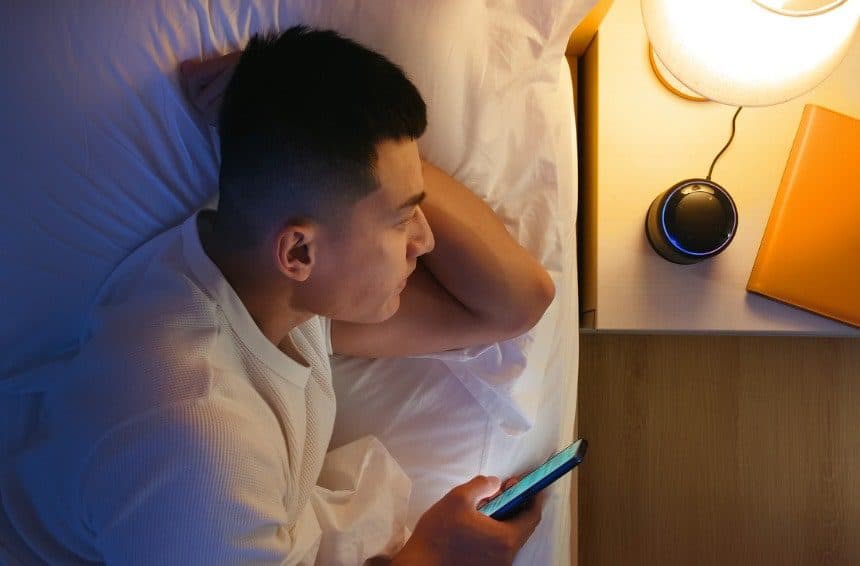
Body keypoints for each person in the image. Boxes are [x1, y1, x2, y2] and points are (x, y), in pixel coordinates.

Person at [0, 27, 555, 564]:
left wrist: (334, 136)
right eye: (403, 217)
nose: (425, 240)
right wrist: (434, 555)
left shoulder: (267, 283)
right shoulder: (197, 437)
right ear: (298, 253)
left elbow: (517, 300)